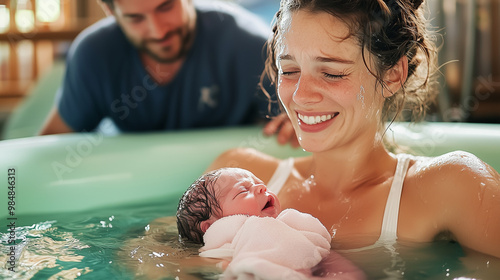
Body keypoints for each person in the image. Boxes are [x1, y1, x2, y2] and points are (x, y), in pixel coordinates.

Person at [204, 0, 500, 260]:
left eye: (332, 73)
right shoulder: (235, 182)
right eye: (290, 71)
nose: (301, 96)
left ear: (392, 75)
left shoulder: (454, 187)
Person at [39, 0, 297, 146]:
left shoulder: (248, 45)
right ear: (111, 12)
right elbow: (47, 148)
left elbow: (291, 126)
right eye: (136, 19)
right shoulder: (94, 55)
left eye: (165, 7)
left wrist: (294, 122)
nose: (158, 31)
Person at [176, 167, 366, 279]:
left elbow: (325, 257)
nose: (261, 188)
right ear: (211, 227)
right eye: (243, 191)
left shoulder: (291, 229)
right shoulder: (216, 253)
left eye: (259, 184)